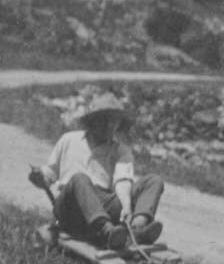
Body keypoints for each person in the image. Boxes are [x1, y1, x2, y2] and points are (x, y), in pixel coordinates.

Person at [29, 93, 165, 250]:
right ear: (91, 121)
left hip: (102, 204)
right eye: (104, 119)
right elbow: (49, 174)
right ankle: (106, 231)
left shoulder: (121, 150)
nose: (109, 126)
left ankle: (138, 229)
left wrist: (127, 206)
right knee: (80, 179)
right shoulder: (68, 140)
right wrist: (40, 178)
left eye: (114, 121)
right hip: (70, 209)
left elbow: (122, 180)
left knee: (153, 180)